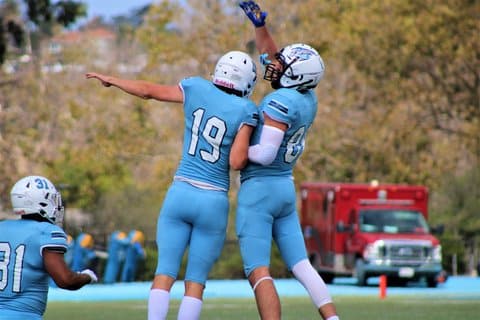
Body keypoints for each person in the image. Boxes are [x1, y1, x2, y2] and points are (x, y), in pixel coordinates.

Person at [85, 50, 258, 320]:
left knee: (164, 273)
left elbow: (147, 91)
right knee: (196, 282)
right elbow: (237, 162)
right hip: (213, 199)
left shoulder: (196, 87)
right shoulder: (247, 110)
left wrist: (112, 79)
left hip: (181, 192)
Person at [237, 1, 340, 320]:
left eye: (282, 64)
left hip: (261, 190)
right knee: (301, 264)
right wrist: (259, 27)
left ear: (294, 75)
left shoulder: (280, 100)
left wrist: (238, 151)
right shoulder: (307, 97)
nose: (274, 65)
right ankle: (333, 318)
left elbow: (265, 154)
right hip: (284, 187)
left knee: (258, 269)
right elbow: (273, 55)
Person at [0, 175, 98, 320]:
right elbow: (65, 280)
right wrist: (87, 277)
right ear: (40, 201)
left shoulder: (2, 227)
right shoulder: (46, 232)